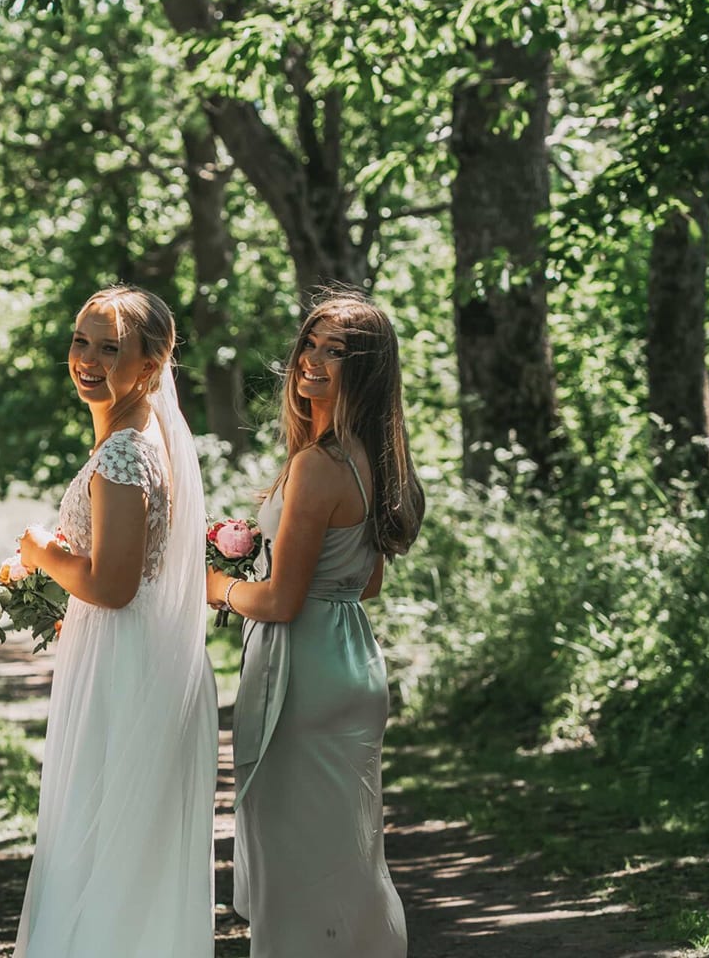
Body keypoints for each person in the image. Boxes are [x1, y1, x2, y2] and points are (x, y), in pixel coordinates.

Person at [210, 290, 426, 958]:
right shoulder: (371, 459)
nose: (313, 359)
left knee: (297, 862)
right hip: (352, 662)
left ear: (366, 371)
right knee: (347, 855)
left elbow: (281, 602)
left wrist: (215, 585)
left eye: (336, 352)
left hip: (301, 673)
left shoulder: (316, 465)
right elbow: (367, 582)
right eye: (311, 343)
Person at [15, 285, 217, 956]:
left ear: (150, 365)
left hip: (125, 661)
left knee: (103, 835)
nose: (87, 360)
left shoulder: (126, 450)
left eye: (110, 348)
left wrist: (42, 555)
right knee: (119, 842)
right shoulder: (141, 434)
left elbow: (113, 585)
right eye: (81, 342)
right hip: (134, 648)